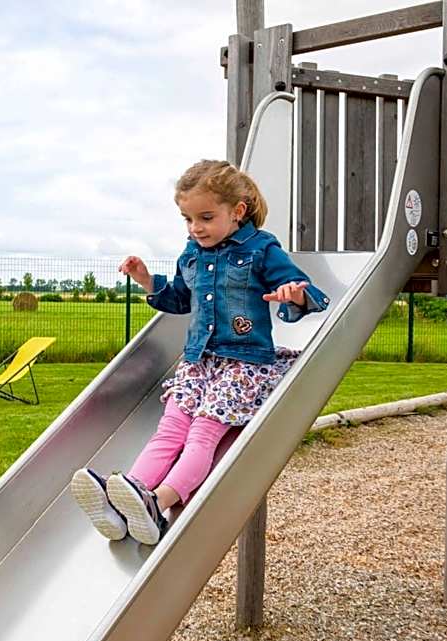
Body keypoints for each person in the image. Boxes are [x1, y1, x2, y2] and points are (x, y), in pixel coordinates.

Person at [71, 159, 330, 545]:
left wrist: (296, 294)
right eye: (188, 219)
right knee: (169, 431)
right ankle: (130, 499)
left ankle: (158, 504)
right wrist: (147, 281)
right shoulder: (191, 253)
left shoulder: (261, 248)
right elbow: (179, 299)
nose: (196, 228)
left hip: (242, 364)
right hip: (198, 361)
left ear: (237, 211)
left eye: (206, 217)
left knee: (202, 435)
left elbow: (302, 289)